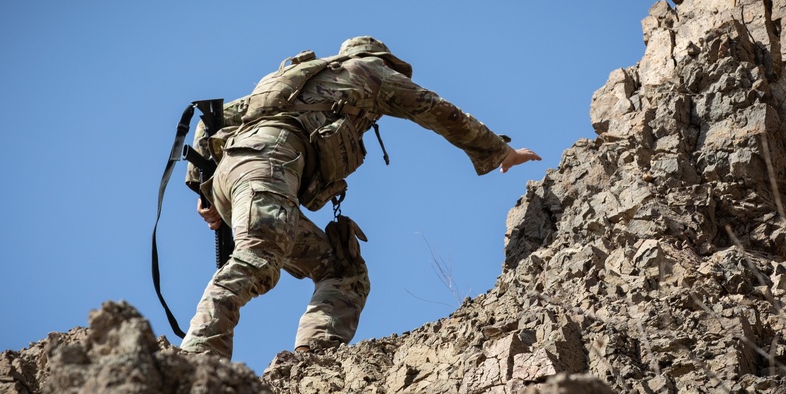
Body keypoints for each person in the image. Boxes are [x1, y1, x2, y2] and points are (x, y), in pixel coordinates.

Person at [180, 36, 541, 359]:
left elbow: (208, 120)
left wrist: (204, 189)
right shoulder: (368, 71)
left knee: (343, 269)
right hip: (270, 166)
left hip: (239, 175)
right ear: (382, 60)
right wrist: (498, 152)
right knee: (259, 254)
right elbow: (435, 109)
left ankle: (315, 359)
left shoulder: (298, 83)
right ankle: (199, 353)